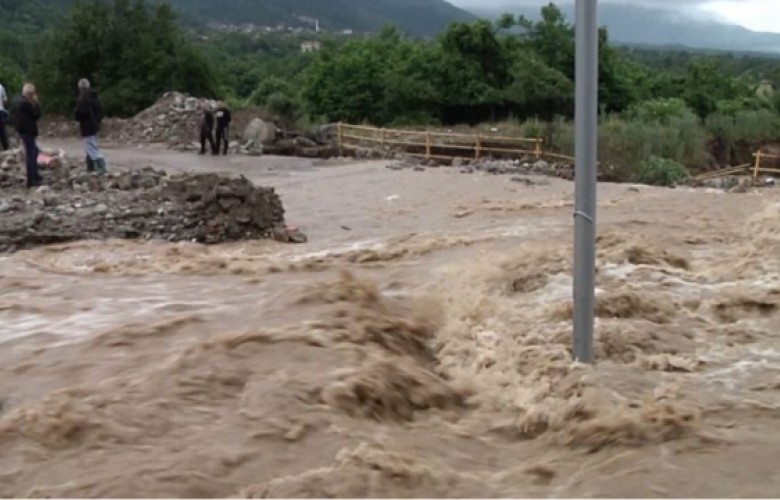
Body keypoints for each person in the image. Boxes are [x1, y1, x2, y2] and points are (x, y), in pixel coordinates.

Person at [74, 78, 107, 174]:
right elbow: (100, 112)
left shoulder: (82, 100)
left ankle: (101, 167)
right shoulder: (95, 98)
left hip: (87, 127)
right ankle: (90, 166)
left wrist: (77, 114)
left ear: (80, 88)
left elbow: (80, 114)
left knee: (91, 147)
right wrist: (98, 121)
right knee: (91, 146)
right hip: (95, 126)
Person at [13, 83, 42, 188]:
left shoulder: (18, 101)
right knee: (31, 154)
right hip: (28, 131)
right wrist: (36, 103)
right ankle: (32, 179)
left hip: (22, 130)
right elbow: (36, 115)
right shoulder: (27, 104)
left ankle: (35, 175)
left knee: (34, 152)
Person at [0, 81, 9, 150]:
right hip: (1, 110)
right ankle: (5, 146)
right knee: (2, 129)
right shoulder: (1, 86)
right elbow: (5, 99)